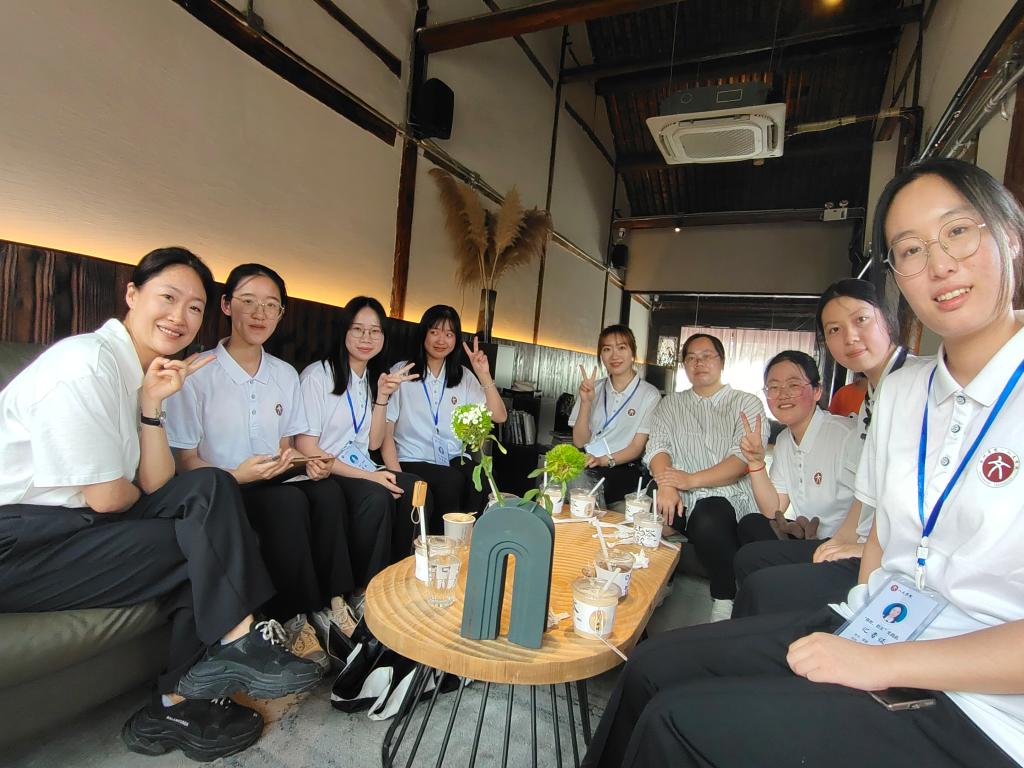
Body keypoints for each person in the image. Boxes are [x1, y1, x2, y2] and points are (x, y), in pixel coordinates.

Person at [582, 158, 1024, 768]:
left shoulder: (779, 410)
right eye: (911, 250)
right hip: (879, 622)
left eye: (957, 231)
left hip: (986, 710)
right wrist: (861, 618)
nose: (939, 264)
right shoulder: (903, 392)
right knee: (651, 666)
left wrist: (877, 662)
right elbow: (880, 535)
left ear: (1009, 234)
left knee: (675, 721)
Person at [0, 248, 321, 763]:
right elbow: (110, 497)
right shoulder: (85, 364)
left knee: (209, 487)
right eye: (168, 298)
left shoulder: (148, 375)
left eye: (193, 307)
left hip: (74, 527)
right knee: (199, 541)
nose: (179, 316)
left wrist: (152, 405)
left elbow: (158, 480)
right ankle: (186, 691)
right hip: (20, 543)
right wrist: (150, 494)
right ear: (132, 295)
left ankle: (226, 652)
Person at [164, 263, 364, 670]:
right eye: (249, 302)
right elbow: (185, 461)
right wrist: (239, 475)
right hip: (221, 488)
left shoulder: (284, 374)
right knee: (288, 505)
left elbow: (285, 448)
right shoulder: (198, 372)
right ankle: (294, 619)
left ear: (281, 314)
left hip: (272, 478)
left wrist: (307, 465)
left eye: (271, 305)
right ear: (226, 305)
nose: (260, 314)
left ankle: (332, 605)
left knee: (327, 492)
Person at [732, 279, 929, 617]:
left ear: (818, 391)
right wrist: (755, 462)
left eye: (861, 320)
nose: (849, 337)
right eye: (834, 329)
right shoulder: (873, 397)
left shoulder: (917, 383)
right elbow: (864, 492)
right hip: (850, 541)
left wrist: (854, 545)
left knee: (760, 583)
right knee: (750, 548)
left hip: (893, 555)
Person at [644, 332, 773, 621]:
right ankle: (660, 582)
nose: (698, 363)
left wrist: (690, 480)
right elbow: (658, 447)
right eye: (691, 358)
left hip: (726, 494)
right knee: (648, 511)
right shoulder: (670, 404)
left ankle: (724, 597)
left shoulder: (746, 403)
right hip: (678, 490)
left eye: (706, 356)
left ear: (722, 361)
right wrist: (666, 484)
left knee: (708, 516)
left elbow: (741, 461)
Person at [296, 296, 431, 567]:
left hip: (359, 465)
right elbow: (306, 447)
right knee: (377, 497)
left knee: (414, 487)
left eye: (374, 331)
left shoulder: (370, 378)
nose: (366, 338)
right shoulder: (317, 376)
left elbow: (373, 443)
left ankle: (399, 571)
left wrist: (382, 396)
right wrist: (371, 476)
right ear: (344, 331)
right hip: (324, 471)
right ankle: (367, 582)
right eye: (358, 329)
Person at [380, 305, 507, 520]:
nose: (441, 340)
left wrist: (483, 374)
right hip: (412, 457)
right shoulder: (402, 372)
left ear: (456, 339)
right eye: (434, 332)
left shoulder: (462, 376)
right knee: (450, 480)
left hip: (452, 457)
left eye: (449, 334)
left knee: (484, 476)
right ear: (423, 334)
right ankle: (445, 537)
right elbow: (386, 431)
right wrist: (398, 476)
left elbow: (499, 416)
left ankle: (469, 534)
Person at [739, 350, 858, 543]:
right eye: (774, 387)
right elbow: (774, 509)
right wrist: (755, 462)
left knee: (751, 556)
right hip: (808, 536)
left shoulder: (846, 435)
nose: (783, 394)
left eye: (793, 385)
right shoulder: (784, 441)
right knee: (751, 524)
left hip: (843, 545)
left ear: (817, 391)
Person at [569, 324, 661, 509]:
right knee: (560, 475)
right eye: (607, 349)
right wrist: (586, 402)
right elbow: (580, 442)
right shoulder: (592, 388)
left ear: (632, 352)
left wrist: (603, 460)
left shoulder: (649, 394)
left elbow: (636, 448)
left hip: (624, 468)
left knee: (580, 482)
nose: (614, 355)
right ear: (601, 356)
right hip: (588, 463)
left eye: (621, 347)